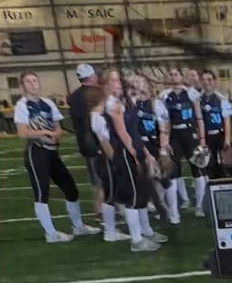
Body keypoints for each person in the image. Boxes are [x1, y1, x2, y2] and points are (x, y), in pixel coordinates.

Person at [14, 70, 95, 242]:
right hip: (36, 152)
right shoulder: (22, 105)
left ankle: (78, 226)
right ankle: (50, 234)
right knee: (42, 194)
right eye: (28, 81)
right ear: (23, 86)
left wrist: (55, 134)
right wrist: (45, 133)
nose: (33, 84)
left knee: (71, 189)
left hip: (52, 153)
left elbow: (58, 128)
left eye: (35, 81)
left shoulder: (48, 103)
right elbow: (22, 132)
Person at [93, 69, 157, 252]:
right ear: (106, 85)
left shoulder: (122, 102)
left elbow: (133, 132)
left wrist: (146, 154)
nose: (119, 83)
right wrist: (134, 156)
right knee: (132, 197)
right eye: (114, 80)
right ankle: (136, 240)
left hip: (132, 150)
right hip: (124, 153)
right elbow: (121, 134)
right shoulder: (110, 106)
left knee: (140, 194)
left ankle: (144, 232)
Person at [126, 72, 177, 233]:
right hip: (137, 145)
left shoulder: (156, 104)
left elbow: (164, 128)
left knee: (165, 178)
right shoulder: (130, 104)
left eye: (141, 83)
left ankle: (174, 213)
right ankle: (149, 217)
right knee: (142, 182)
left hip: (154, 143)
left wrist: (163, 149)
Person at [156, 68, 205, 219]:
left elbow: (199, 117)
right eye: (170, 75)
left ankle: (199, 206)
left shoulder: (191, 93)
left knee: (198, 170)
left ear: (181, 76)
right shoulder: (164, 95)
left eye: (176, 74)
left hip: (191, 134)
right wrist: (165, 141)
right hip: (175, 135)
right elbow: (164, 120)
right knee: (174, 171)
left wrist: (202, 139)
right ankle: (179, 205)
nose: (173, 77)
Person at [67, 63, 109, 225]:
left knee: (97, 180)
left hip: (86, 143)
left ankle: (101, 211)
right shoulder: (96, 93)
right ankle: (101, 212)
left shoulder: (75, 96)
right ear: (91, 76)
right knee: (102, 180)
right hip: (97, 141)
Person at [198, 70, 232, 204]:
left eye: (209, 79)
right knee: (211, 166)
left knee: (230, 164)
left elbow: (227, 121)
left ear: (214, 81)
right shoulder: (198, 99)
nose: (206, 82)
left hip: (220, 135)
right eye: (204, 79)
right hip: (206, 138)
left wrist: (227, 139)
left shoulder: (221, 98)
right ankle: (217, 195)